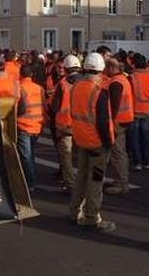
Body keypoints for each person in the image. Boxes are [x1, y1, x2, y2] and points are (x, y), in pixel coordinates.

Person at [69, 53, 116, 232]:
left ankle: (75, 211)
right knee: (95, 180)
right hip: (97, 144)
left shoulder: (75, 88)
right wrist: (108, 143)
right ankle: (91, 217)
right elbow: (103, 123)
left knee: (81, 177)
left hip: (81, 139)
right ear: (101, 70)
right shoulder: (99, 93)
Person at [51, 55, 82, 192]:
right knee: (81, 156)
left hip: (65, 125)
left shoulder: (62, 84)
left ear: (67, 68)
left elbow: (55, 106)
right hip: (82, 125)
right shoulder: (85, 83)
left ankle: (70, 184)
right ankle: (83, 182)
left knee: (66, 157)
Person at [103, 58, 134, 195]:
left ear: (110, 68)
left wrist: (110, 124)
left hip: (118, 122)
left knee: (118, 153)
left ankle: (122, 183)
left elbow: (114, 106)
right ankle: (119, 180)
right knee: (119, 152)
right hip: (124, 119)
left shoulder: (115, 83)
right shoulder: (122, 79)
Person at [17, 65, 46, 191]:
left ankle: (30, 182)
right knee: (31, 154)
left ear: (20, 74)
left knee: (26, 156)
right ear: (32, 75)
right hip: (37, 125)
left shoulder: (19, 87)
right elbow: (44, 105)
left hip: (24, 125)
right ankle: (32, 178)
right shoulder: (39, 88)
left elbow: (21, 108)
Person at [129, 53, 149, 171]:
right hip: (147, 110)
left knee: (134, 137)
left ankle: (137, 162)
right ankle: (146, 161)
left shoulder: (132, 77)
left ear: (134, 63)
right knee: (145, 137)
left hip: (134, 110)